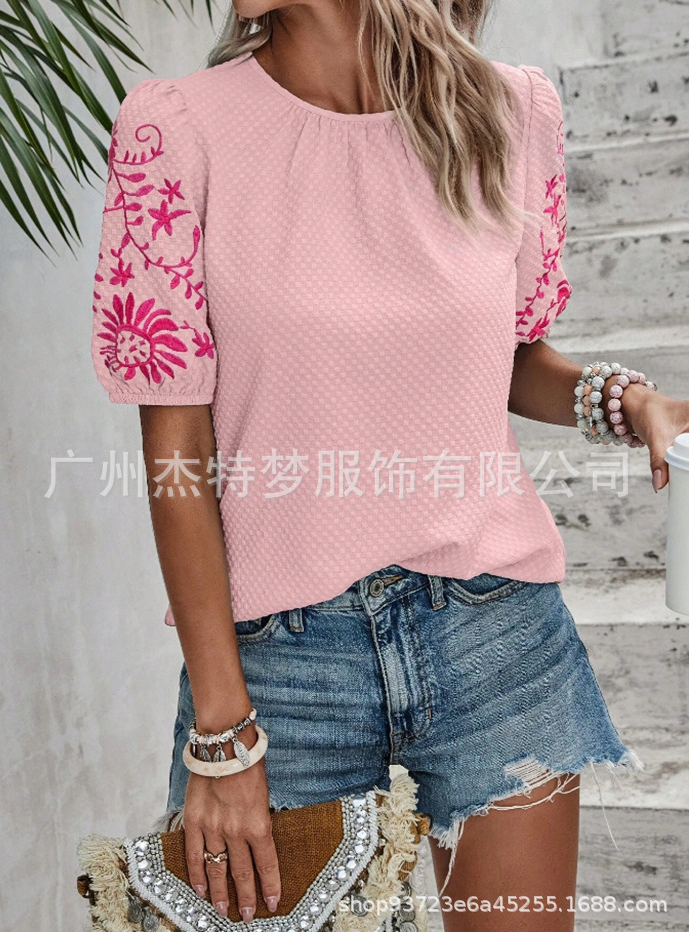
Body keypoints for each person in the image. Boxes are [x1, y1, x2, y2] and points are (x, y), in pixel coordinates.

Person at [89, 0, 688, 928]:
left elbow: (503, 356)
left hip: (497, 638)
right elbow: (178, 450)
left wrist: (624, 398)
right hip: (279, 676)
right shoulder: (176, 131)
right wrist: (223, 731)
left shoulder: (510, 111)